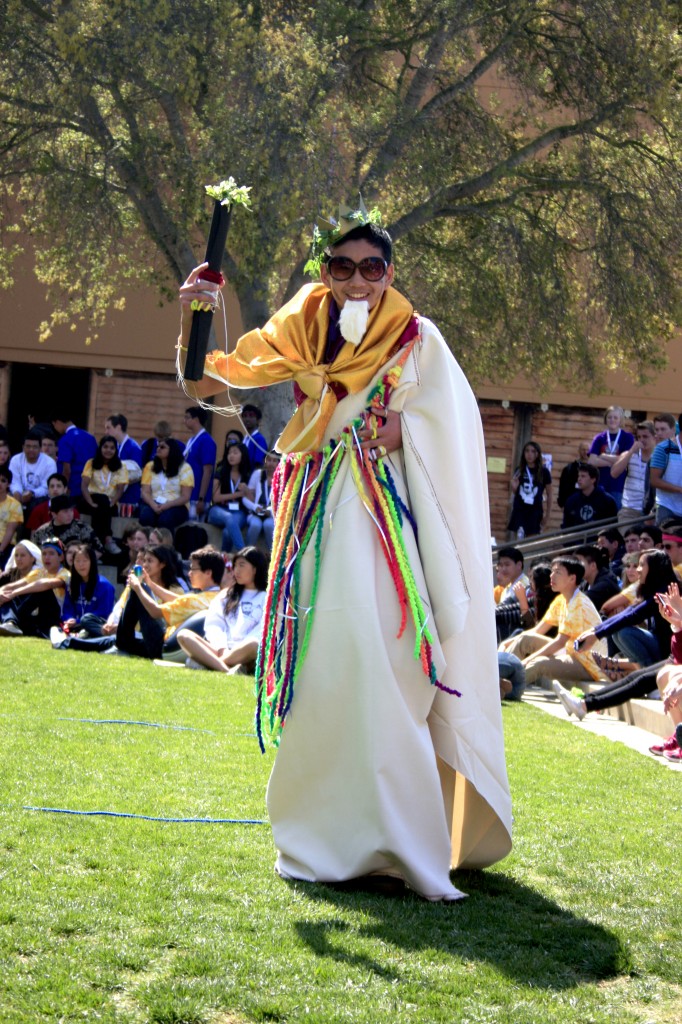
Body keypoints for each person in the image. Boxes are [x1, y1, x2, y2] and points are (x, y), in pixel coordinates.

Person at [176, 205, 511, 900]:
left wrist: (403, 431)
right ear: (323, 272)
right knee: (324, 668)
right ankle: (324, 839)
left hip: (383, 519)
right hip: (317, 514)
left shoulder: (418, 337)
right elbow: (205, 384)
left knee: (387, 664)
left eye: (372, 268)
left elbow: (453, 429)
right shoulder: (298, 328)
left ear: (390, 273)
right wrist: (196, 315)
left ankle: (404, 843)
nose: (358, 281)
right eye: (342, 267)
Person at [51, 543, 187, 651]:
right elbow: (120, 606)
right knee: (89, 620)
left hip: (153, 637)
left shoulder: (174, 590)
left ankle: (68, 642)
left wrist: (139, 588)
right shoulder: (142, 584)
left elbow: (160, 616)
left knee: (115, 640)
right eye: (143, 560)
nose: (144, 565)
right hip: (126, 631)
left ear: (162, 564)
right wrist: (112, 623)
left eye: (149, 561)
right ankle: (75, 639)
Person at [501, 556, 603, 686]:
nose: (552, 576)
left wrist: (528, 660)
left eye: (558, 572)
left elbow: (559, 642)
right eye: (552, 571)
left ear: (572, 578)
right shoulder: (561, 599)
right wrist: (506, 643)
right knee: (524, 639)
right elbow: (537, 631)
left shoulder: (579, 604)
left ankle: (506, 688)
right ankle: (497, 674)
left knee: (538, 663)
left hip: (588, 663)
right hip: (569, 652)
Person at [575, 547, 678, 674]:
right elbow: (628, 611)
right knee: (617, 630)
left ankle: (651, 676)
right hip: (659, 643)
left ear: (654, 568)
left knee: (625, 632)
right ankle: (643, 673)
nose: (638, 570)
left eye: (641, 565)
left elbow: (634, 615)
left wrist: (596, 635)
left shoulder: (666, 591)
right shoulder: (651, 588)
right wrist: (595, 630)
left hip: (672, 650)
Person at [114, 545, 224, 660]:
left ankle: (121, 642)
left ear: (208, 573)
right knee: (103, 639)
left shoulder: (195, 601)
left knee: (139, 590)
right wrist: (150, 583)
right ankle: (118, 641)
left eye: (193, 569)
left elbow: (155, 611)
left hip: (162, 647)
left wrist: (137, 587)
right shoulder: (218, 597)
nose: (189, 573)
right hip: (174, 645)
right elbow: (179, 600)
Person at [177, 546, 268, 672]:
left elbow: (262, 630)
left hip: (245, 652)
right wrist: (221, 647)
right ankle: (226, 669)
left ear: (255, 569)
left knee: (254, 645)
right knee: (184, 635)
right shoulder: (226, 594)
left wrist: (235, 650)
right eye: (235, 565)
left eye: (242, 565)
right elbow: (214, 624)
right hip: (220, 650)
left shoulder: (267, 598)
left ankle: (210, 663)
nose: (237, 570)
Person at [0, 539, 70, 637]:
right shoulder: (39, 572)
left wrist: (14, 593)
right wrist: (2, 592)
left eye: (51, 554)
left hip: (55, 619)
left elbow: (45, 584)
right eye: (44, 554)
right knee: (6, 595)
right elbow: (15, 585)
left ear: (61, 557)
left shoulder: (65, 574)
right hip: (36, 617)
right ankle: (10, 623)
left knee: (43, 592)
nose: (47, 557)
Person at [80, 435, 128, 554]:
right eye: (105, 447)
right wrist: (90, 502)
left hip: (110, 504)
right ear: (100, 448)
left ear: (115, 450)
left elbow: (120, 490)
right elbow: (84, 486)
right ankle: (107, 539)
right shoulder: (90, 463)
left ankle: (96, 547)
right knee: (101, 500)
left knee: (103, 504)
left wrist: (112, 503)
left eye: (112, 448)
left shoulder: (121, 466)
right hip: (89, 500)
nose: (108, 450)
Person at [139, 437, 194, 533]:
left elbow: (186, 496)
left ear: (172, 450)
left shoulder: (185, 468)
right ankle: (146, 546)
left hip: (176, 505)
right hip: (154, 503)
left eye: (162, 447)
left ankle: (167, 546)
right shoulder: (149, 466)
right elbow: (145, 492)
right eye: (158, 446)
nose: (158, 449)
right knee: (145, 517)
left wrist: (167, 505)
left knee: (165, 519)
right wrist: (153, 504)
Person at [206, 440, 252, 551]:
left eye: (235, 453)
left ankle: (224, 558)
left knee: (228, 532)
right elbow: (216, 497)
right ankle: (243, 553)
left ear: (243, 455)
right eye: (229, 453)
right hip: (218, 510)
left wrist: (247, 490)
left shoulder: (248, 474)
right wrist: (239, 494)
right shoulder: (221, 471)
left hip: (239, 511)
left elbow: (252, 499)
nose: (231, 456)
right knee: (229, 518)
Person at [588, 405, 635, 510]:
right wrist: (613, 462)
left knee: (615, 517)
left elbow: (626, 459)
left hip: (618, 485)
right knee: (600, 517)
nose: (612, 420)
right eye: (609, 417)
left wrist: (603, 456)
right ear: (605, 419)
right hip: (600, 484)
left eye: (615, 417)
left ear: (620, 420)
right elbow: (592, 461)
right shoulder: (599, 438)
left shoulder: (627, 437)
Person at [60, 544, 115, 632]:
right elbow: (67, 609)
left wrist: (78, 621)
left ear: (92, 562)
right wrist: (69, 619)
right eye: (77, 561)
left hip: (97, 627)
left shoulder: (104, 585)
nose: (81, 564)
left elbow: (104, 613)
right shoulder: (71, 584)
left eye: (85, 561)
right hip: (74, 626)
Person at [610, 419, 656, 523]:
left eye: (645, 436)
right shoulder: (629, 455)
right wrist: (631, 451)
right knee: (628, 538)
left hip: (650, 511)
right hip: (629, 510)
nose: (642, 440)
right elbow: (614, 473)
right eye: (639, 437)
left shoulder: (659, 457)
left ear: (654, 437)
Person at [507, 441, 552, 539]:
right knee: (518, 540)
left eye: (533, 451)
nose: (529, 454)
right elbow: (516, 492)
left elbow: (549, 495)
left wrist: (547, 516)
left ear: (537, 454)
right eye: (527, 451)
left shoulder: (544, 472)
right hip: (520, 509)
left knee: (530, 541)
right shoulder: (520, 470)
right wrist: (514, 488)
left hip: (535, 510)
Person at [33, 495, 103, 555]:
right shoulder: (41, 532)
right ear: (54, 514)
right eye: (65, 511)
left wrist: (81, 560)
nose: (70, 514)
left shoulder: (82, 528)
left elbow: (99, 550)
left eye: (71, 510)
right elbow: (34, 553)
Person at [51, 413, 98, 499]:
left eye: (54, 425)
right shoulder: (90, 437)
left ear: (58, 422)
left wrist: (64, 488)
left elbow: (66, 469)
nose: (55, 428)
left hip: (73, 489)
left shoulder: (65, 440)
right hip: (91, 487)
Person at [182, 406, 217, 520]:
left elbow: (207, 470)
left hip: (197, 496)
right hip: (188, 493)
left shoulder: (207, 441)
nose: (184, 421)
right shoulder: (192, 440)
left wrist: (201, 498)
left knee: (194, 531)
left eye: (187, 417)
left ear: (196, 419)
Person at [8, 431, 57, 511]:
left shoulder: (49, 463)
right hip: (18, 496)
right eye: (28, 446)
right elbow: (14, 482)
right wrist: (17, 492)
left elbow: (46, 487)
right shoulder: (15, 460)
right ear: (23, 447)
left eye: (35, 447)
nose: (31, 449)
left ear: (40, 448)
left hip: (39, 498)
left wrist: (32, 493)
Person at [649, 412, 682, 526]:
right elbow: (654, 480)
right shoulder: (662, 448)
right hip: (667, 506)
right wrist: (680, 489)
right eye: (657, 429)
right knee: (666, 541)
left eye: (663, 429)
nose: (659, 433)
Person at [561, 463, 618, 530]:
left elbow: (613, 526)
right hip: (576, 538)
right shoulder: (571, 501)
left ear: (593, 479)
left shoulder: (607, 501)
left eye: (583, 476)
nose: (579, 479)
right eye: (578, 476)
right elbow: (566, 526)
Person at [104, 413, 143, 508]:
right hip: (115, 497)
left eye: (108, 428)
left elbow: (137, 474)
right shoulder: (114, 447)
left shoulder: (133, 448)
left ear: (118, 427)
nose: (106, 432)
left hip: (129, 499)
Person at [243, 450, 279, 550]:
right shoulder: (257, 474)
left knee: (269, 525)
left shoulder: (282, 477)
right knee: (255, 525)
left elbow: (283, 502)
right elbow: (245, 498)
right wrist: (255, 507)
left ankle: (272, 556)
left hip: (272, 514)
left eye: (274, 461)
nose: (271, 463)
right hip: (255, 512)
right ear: (264, 461)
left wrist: (270, 511)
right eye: (269, 460)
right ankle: (248, 553)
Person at [574, 544, 620, 611]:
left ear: (593, 566)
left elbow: (578, 601)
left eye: (579, 562)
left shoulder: (606, 584)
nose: (574, 566)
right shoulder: (586, 583)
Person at [0, 467, 23, 568]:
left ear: (8, 484)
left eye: (3, 481)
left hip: (5, 546)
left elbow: (10, 531)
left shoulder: (15, 505)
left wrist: (0, 550)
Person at [557, 441, 591, 509]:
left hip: (588, 503)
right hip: (572, 503)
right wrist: (562, 502)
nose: (585, 452)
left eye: (587, 450)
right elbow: (563, 486)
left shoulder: (594, 468)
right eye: (583, 449)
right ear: (579, 451)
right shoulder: (570, 468)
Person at [240, 404, 268, 468]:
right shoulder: (244, 438)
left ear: (258, 420)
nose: (247, 419)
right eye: (245, 416)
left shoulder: (259, 439)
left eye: (251, 415)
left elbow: (258, 463)